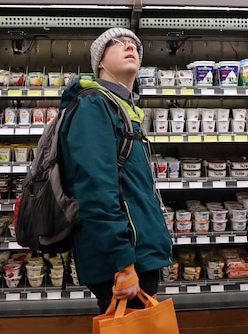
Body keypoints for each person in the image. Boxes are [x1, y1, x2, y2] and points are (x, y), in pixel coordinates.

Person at [59, 27, 172, 313]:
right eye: (118, 43)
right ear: (99, 62)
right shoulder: (93, 106)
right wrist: (122, 263)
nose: (130, 46)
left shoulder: (122, 109)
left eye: (134, 43)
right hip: (123, 259)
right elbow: (96, 190)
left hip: (136, 253)